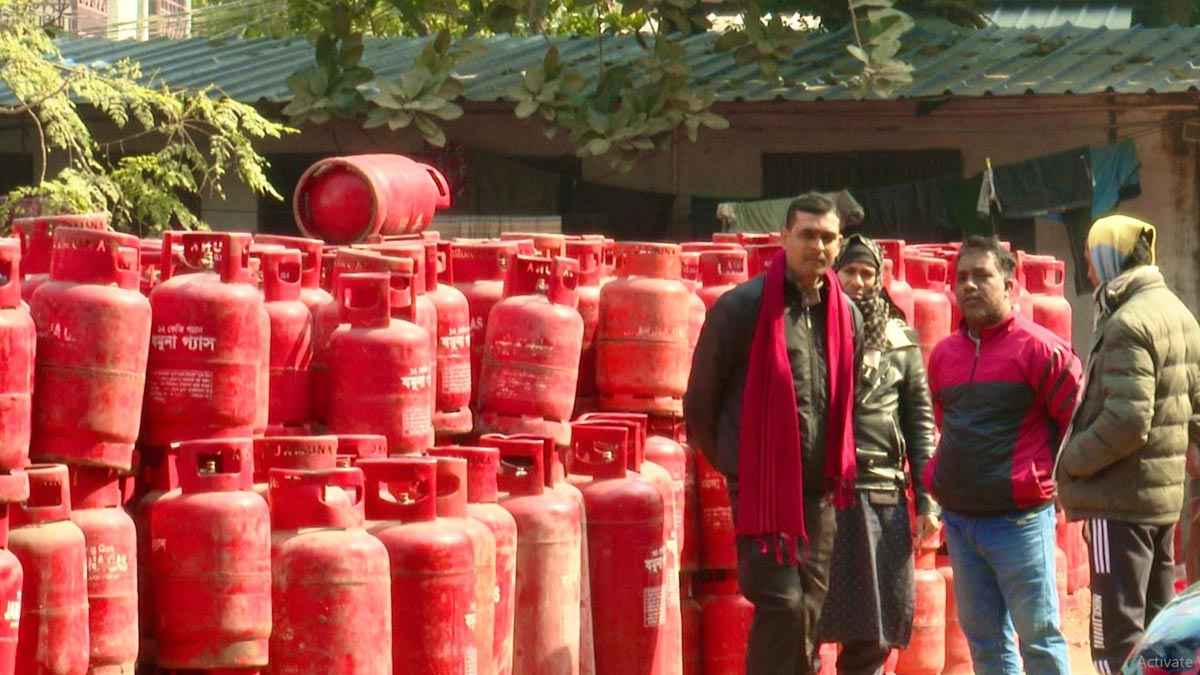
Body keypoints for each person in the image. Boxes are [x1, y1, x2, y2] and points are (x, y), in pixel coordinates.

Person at [684, 192, 862, 675]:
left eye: (827, 237)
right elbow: (700, 402)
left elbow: (850, 398)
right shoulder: (742, 308)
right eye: (807, 235)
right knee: (782, 604)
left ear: (839, 244)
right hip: (763, 491)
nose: (817, 246)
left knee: (809, 613)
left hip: (819, 494)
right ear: (784, 237)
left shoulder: (846, 315)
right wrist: (739, 464)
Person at [923, 235, 1081, 675]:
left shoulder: (1042, 350)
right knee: (985, 642)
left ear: (1010, 286)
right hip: (961, 521)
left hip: (1019, 521)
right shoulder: (944, 355)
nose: (969, 286)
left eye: (982, 276)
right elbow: (944, 426)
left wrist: (1046, 482)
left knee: (1039, 638)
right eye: (962, 278)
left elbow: (1076, 425)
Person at [1054, 215, 1200, 673]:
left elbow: (1128, 421)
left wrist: (1070, 462)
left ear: (1110, 258)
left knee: (1114, 638)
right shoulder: (1179, 313)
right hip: (1162, 501)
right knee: (1161, 632)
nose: (1088, 271)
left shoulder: (1127, 322)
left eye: (1090, 260)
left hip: (1119, 501)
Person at [817, 234, 939, 675]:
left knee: (872, 630)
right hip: (821, 494)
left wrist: (928, 501)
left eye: (867, 273)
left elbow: (920, 425)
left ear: (879, 278)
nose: (858, 281)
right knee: (807, 620)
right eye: (849, 271)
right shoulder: (810, 331)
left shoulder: (900, 339)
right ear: (834, 275)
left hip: (879, 494)